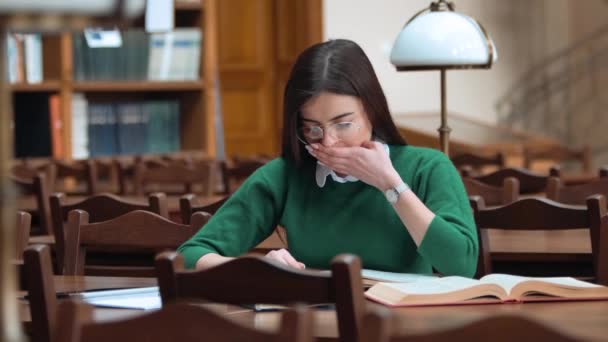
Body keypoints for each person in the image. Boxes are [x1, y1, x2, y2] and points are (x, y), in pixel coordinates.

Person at [178, 39, 478, 277]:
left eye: (343, 124)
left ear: (372, 111)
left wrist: (390, 184)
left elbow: (461, 265)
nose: (329, 141)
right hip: (313, 325)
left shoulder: (427, 167)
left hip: (404, 328)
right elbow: (190, 256)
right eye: (312, 129)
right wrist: (257, 269)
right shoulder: (284, 176)